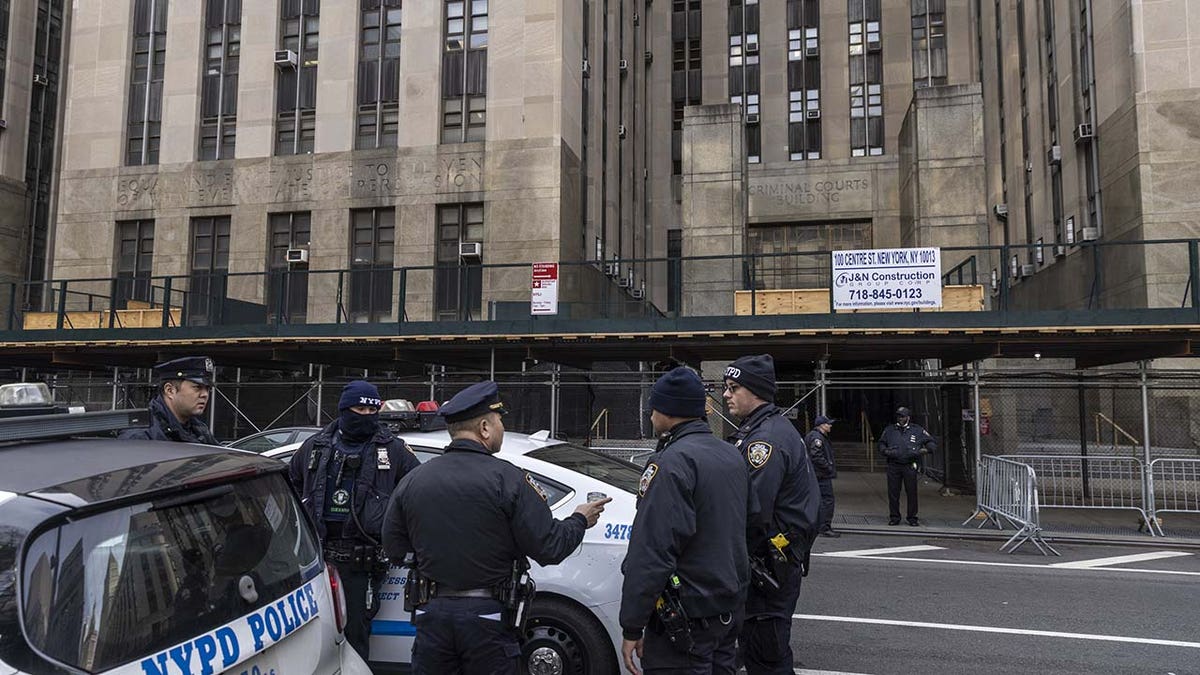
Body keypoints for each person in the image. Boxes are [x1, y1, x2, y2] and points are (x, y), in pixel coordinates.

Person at [382, 381, 609, 674]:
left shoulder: (414, 480)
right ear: (485, 429)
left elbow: (395, 548)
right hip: (487, 620)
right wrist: (580, 519)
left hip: (432, 617)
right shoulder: (508, 479)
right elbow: (550, 547)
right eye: (500, 419)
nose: (502, 426)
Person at [620, 367, 750, 675]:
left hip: (687, 622)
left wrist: (632, 626)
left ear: (669, 410)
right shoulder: (730, 455)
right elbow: (748, 523)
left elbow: (651, 551)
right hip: (727, 610)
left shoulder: (671, 463)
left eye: (654, 406)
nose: (650, 414)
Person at [288, 380, 421, 660]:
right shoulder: (315, 446)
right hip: (315, 562)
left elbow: (418, 493)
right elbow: (291, 486)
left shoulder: (393, 450)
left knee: (354, 639)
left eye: (371, 410)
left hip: (362, 564)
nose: (366, 416)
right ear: (344, 409)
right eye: (359, 408)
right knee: (310, 638)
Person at [722, 355, 820, 675]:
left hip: (767, 568)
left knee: (768, 658)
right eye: (726, 387)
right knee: (758, 650)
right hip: (775, 563)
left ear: (756, 391)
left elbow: (752, 514)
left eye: (734, 388)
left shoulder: (765, 440)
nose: (726, 394)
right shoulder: (767, 429)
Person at [119, 356, 218, 444]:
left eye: (208, 389)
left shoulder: (199, 430)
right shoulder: (141, 435)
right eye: (197, 387)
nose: (205, 394)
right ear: (169, 390)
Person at [878, 406, 938, 526]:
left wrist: (925, 450)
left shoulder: (917, 430)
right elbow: (881, 443)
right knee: (893, 492)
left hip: (910, 465)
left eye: (903, 416)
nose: (900, 418)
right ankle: (894, 517)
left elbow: (930, 441)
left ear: (908, 417)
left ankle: (912, 517)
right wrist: (885, 451)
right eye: (899, 416)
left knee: (912, 492)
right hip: (893, 465)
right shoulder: (890, 430)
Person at [805, 416, 839, 537]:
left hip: (816, 474)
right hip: (821, 475)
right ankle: (824, 527)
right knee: (827, 500)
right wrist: (828, 467)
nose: (830, 426)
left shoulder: (815, 436)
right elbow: (816, 455)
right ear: (821, 425)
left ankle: (816, 525)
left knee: (816, 500)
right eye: (828, 424)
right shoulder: (817, 438)